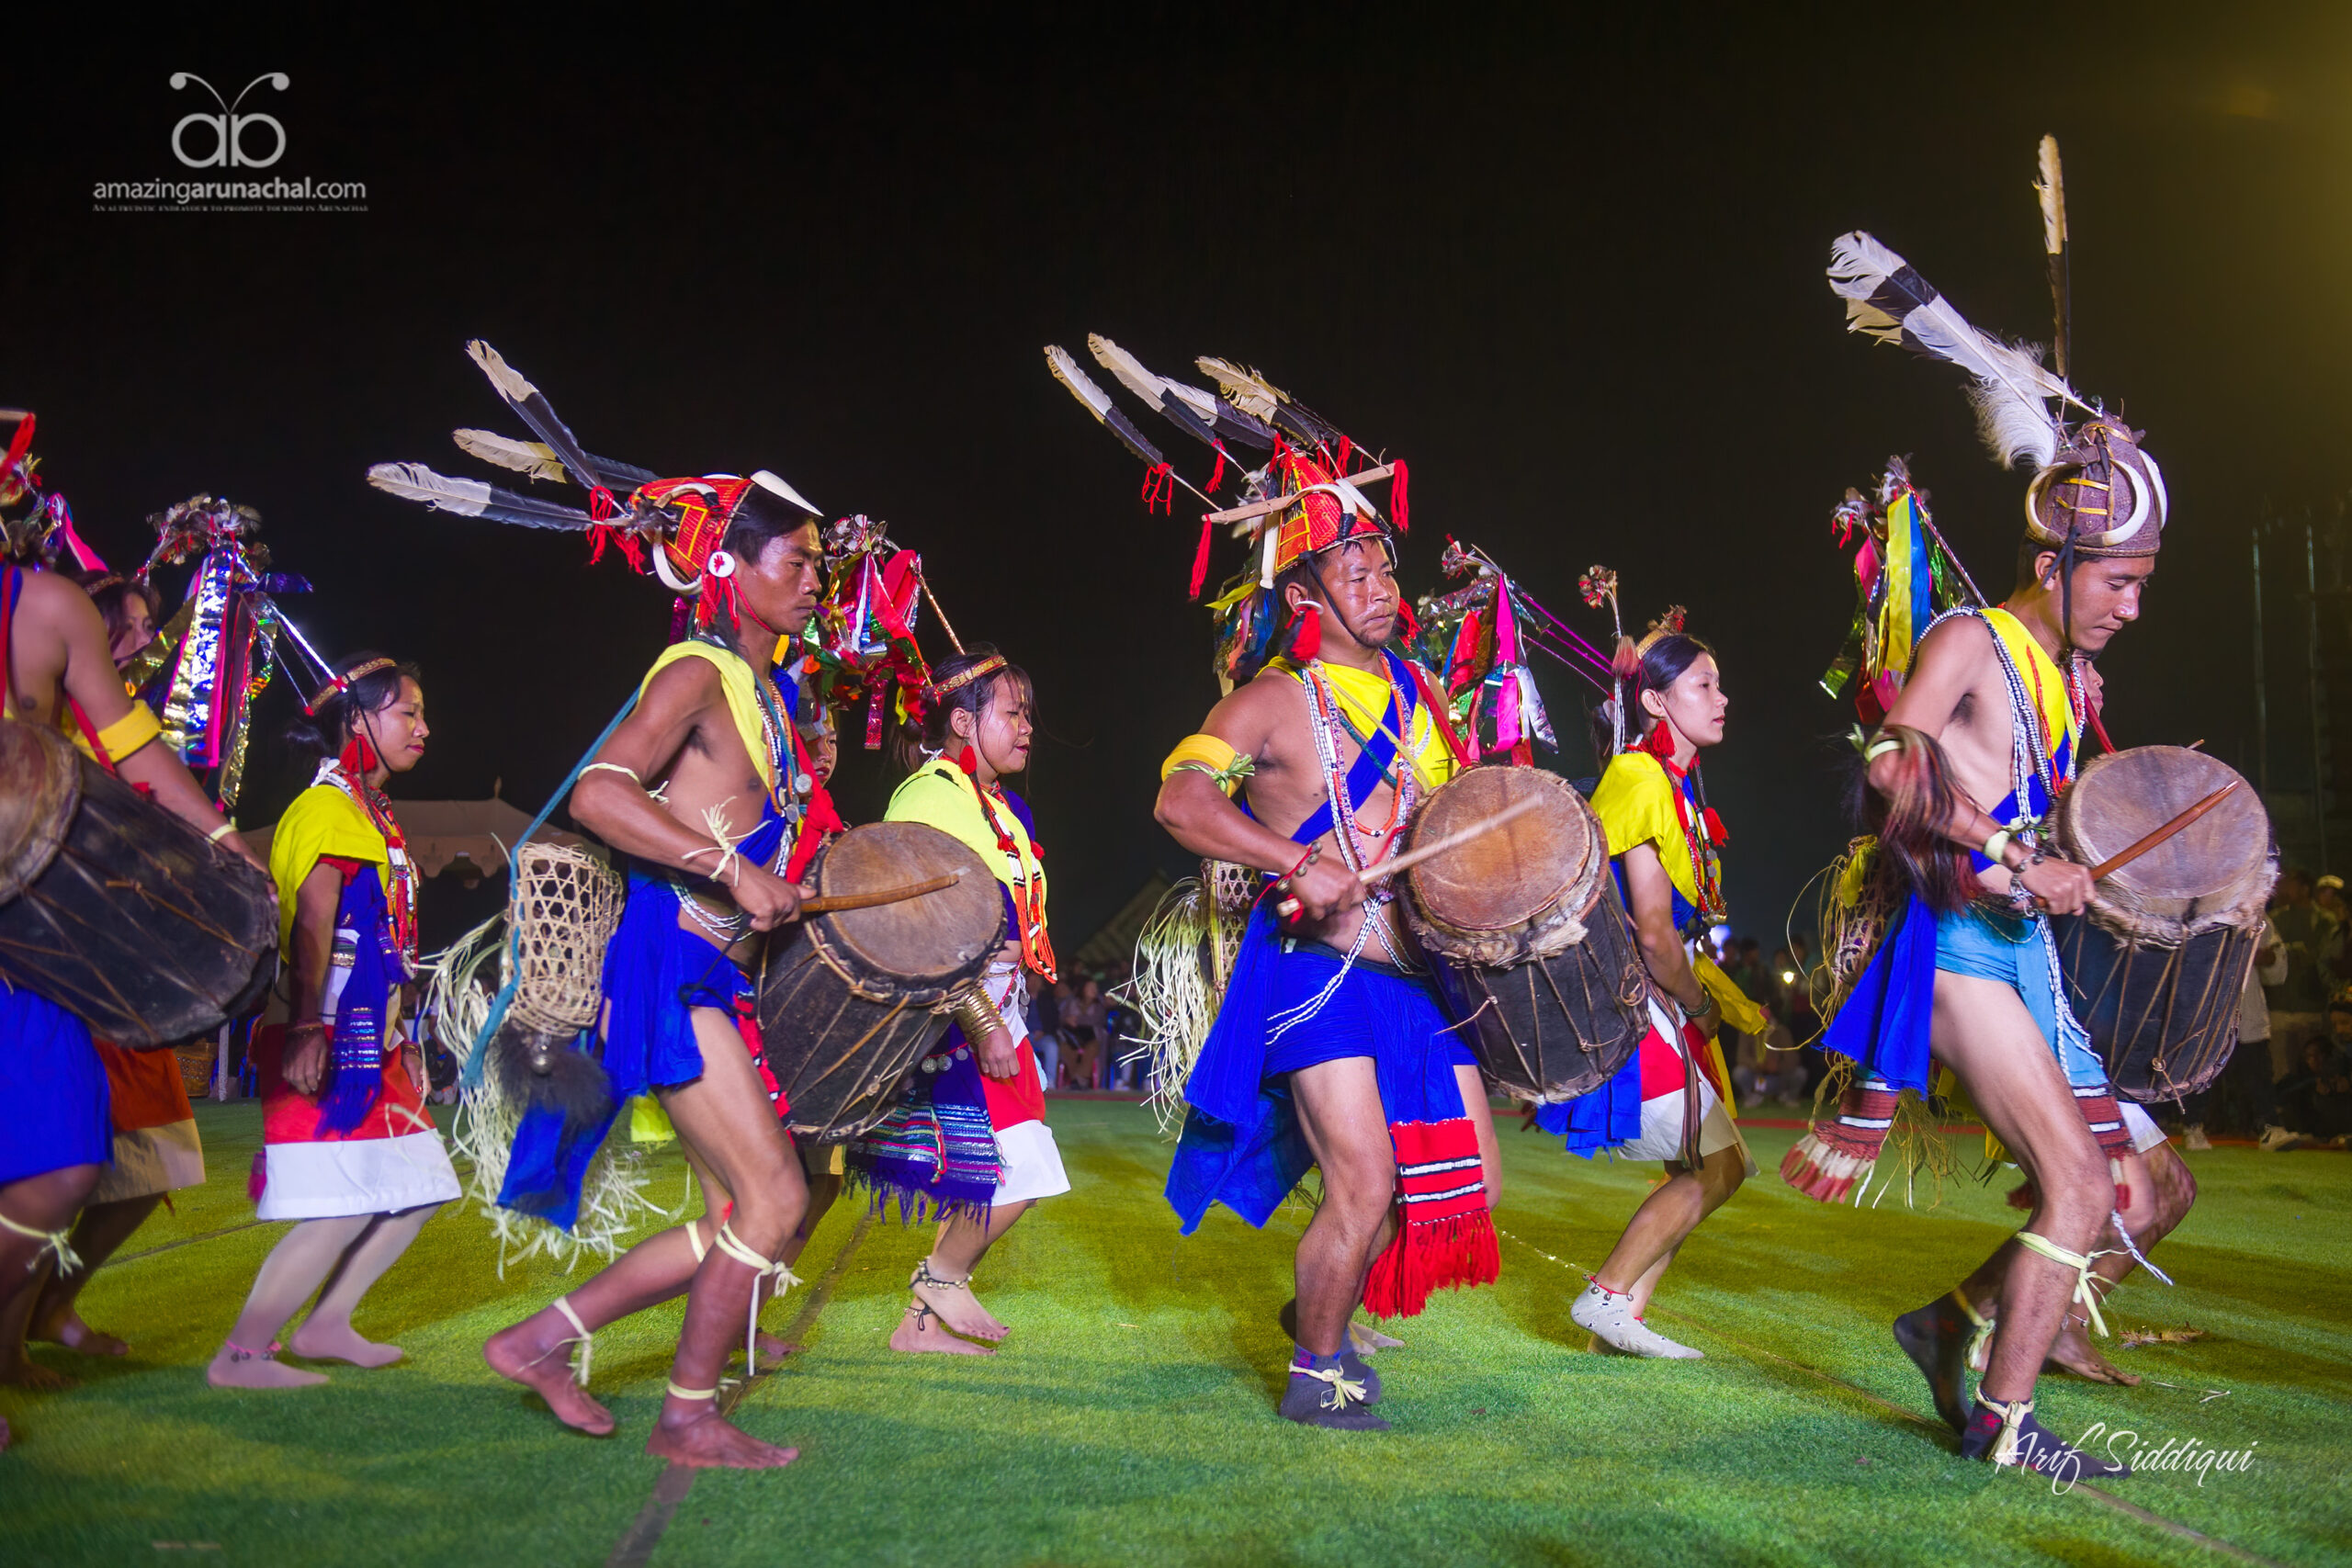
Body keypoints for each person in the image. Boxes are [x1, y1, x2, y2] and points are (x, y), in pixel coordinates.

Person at [481, 472, 835, 1470]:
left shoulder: (769, 693)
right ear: (728, 564)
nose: (815, 580)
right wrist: (729, 869)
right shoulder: (693, 670)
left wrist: (778, 887)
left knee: (735, 1214)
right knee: (772, 1204)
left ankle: (535, 1341)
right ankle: (686, 1419)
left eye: (818, 562)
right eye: (796, 561)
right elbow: (598, 792)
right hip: (668, 963)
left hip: (716, 974)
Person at [1154, 443, 1498, 1432]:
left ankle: (1320, 1296)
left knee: (1463, 1172)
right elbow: (1178, 799)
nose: (1384, 587)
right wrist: (1289, 857)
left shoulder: (1419, 696)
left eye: (1387, 568)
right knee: (1365, 1175)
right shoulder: (1268, 700)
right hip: (1315, 971)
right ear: (1306, 593)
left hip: (1415, 973)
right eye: (1357, 573)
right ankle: (1317, 1368)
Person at [0, 489, 259, 1446]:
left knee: (65, 1167)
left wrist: (220, 836)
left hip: (33, 935)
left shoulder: (48, 605)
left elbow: (133, 744)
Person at [209, 652, 461, 1391]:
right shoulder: (328, 809)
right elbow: (315, 926)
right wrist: (311, 1030)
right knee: (337, 1210)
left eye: (420, 712)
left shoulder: (368, 810)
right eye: (406, 712)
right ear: (356, 722)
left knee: (420, 1188)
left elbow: (385, 944)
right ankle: (242, 1354)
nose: (423, 727)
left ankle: (326, 1324)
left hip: (371, 1043)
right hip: (324, 1039)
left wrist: (406, 1035)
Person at [1533, 617, 1767, 1357]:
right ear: (1658, 702)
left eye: (1719, 682)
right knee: (1719, 1163)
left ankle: (1622, 1316)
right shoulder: (1638, 775)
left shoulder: (1673, 782)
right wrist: (1698, 1003)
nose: (1722, 697)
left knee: (1704, 1161)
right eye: (1704, 683)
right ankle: (1606, 1296)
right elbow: (1654, 927)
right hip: (1643, 1000)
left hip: (1658, 998)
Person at [847, 646, 1072, 1354]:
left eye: (1028, 713)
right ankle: (938, 1277)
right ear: (962, 721)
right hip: (957, 1014)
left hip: (1007, 1008)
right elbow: (922, 926)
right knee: (1025, 1168)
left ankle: (916, 1328)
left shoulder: (1007, 806)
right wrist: (979, 1019)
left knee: (1003, 1171)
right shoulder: (926, 798)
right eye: (1013, 712)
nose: (1028, 726)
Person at [9, 571, 207, 1371]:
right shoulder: (51, 712)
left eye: (144, 631)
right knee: (46, 1164)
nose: (137, 644)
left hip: (110, 970)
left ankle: (51, 1308)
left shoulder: (122, 722)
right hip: (41, 958)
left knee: (150, 1153)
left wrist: (215, 840)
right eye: (122, 628)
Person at [2182, 922, 2285, 1148]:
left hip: (2247, 1009)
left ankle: (2270, 1128)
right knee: (2202, 1072)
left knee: (2259, 1075)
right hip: (2207, 1007)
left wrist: (2267, 958)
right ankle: (2193, 1127)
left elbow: (2276, 964)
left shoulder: (2257, 913)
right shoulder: (2202, 909)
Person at [2262, 869, 2337, 1125]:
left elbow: (2324, 958)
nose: (2282, 888)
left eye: (2289, 884)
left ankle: (2317, 1120)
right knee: (2281, 1071)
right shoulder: (2274, 920)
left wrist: (2288, 953)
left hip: (2311, 1007)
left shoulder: (2325, 920)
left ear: (2304, 888)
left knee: (2315, 1068)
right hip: (2281, 1007)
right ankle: (2284, 1121)